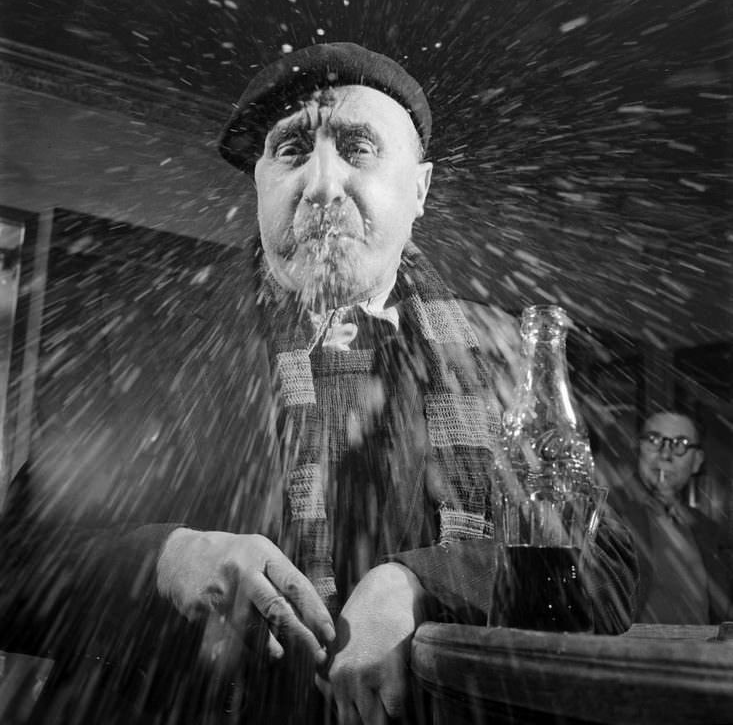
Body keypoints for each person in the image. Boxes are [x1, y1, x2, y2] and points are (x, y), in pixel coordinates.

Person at [0, 42, 638, 725]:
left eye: (358, 148)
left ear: (419, 190)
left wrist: (421, 583)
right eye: (293, 150)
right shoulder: (154, 335)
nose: (323, 183)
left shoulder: (504, 353)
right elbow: (16, 572)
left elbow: (601, 575)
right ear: (259, 182)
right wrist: (165, 558)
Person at [610, 409, 732, 624]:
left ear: (697, 462)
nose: (665, 454)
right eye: (654, 440)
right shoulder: (605, 513)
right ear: (639, 449)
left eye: (681, 444)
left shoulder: (712, 533)